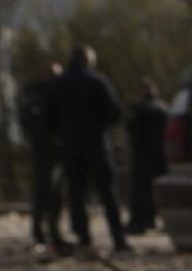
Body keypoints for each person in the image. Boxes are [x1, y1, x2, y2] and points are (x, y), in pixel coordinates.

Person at [46, 44, 131, 255]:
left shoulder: (58, 84)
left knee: (77, 195)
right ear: (88, 60)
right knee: (108, 193)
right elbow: (114, 112)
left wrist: (63, 132)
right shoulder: (97, 81)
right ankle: (118, 239)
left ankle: (84, 240)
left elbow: (48, 117)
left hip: (70, 146)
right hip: (97, 144)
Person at [16, 62, 70, 255]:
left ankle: (54, 233)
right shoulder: (36, 95)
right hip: (43, 152)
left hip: (57, 152)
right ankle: (39, 233)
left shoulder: (57, 95)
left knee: (57, 195)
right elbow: (31, 123)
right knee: (42, 193)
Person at [126, 78, 167, 234]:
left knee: (141, 191)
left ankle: (139, 223)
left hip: (143, 156)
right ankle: (152, 219)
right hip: (161, 156)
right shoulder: (163, 108)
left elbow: (135, 133)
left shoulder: (140, 109)